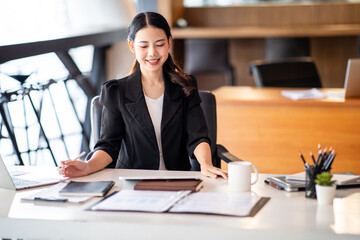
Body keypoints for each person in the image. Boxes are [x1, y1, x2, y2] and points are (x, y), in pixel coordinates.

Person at [58, 12, 227, 179]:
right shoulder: (116, 91)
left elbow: (197, 137)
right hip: (133, 182)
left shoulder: (184, 86)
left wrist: (206, 165)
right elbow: (109, 146)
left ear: (169, 42)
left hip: (178, 179)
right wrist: (87, 166)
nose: (152, 53)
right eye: (144, 46)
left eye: (159, 44)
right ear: (132, 46)